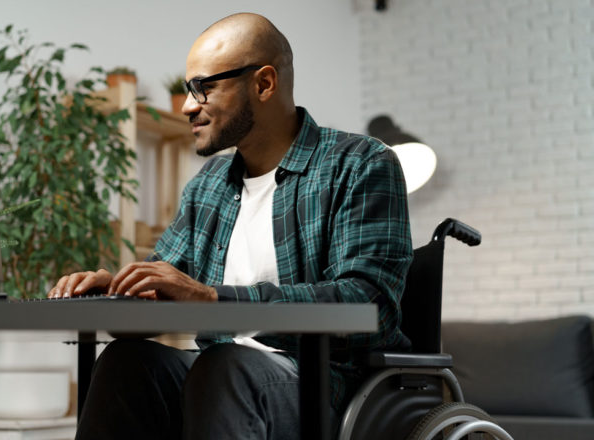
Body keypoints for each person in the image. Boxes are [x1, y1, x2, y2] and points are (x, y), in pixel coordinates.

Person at [48, 12, 413, 440]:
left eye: (204, 87)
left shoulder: (360, 164)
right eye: (188, 90)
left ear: (263, 83)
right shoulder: (209, 186)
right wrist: (118, 291)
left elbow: (369, 305)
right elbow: (164, 288)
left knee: (223, 365)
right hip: (219, 380)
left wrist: (210, 297)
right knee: (125, 361)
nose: (187, 105)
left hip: (328, 389)